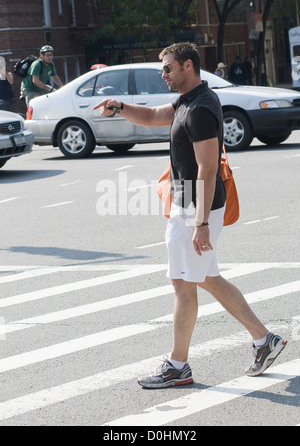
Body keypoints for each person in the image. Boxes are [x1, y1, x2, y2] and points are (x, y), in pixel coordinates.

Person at [93, 42, 287, 389]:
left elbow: (208, 167)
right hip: (189, 202)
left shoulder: (200, 109)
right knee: (203, 278)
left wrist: (199, 223)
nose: (163, 74)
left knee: (184, 284)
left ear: (187, 66)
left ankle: (178, 366)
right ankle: (264, 339)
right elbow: (153, 117)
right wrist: (120, 106)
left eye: (167, 68)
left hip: (197, 206)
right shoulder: (188, 100)